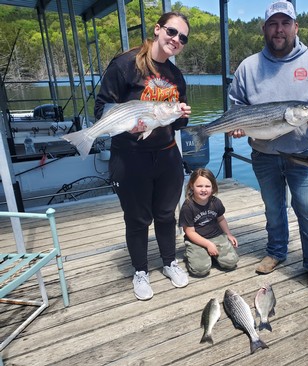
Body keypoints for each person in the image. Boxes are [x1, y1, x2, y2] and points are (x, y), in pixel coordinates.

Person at [228, 0, 308, 292]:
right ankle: (276, 252)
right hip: (263, 154)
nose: (279, 30)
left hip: (303, 155)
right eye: (273, 24)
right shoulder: (248, 66)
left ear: (295, 27)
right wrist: (238, 125)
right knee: (273, 207)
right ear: (264, 28)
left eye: (285, 23)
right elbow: (236, 105)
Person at [94, 12, 192, 300]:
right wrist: (127, 125)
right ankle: (140, 270)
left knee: (165, 215)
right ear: (158, 29)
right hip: (130, 158)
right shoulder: (124, 64)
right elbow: (102, 108)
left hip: (167, 157)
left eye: (182, 38)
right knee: (137, 219)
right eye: (172, 32)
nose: (176, 40)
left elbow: (179, 121)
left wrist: (183, 115)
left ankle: (169, 261)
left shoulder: (176, 76)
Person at [179, 168, 239, 276]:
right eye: (199, 186)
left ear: (213, 188)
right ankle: (194, 254)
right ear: (192, 186)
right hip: (196, 239)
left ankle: (212, 255)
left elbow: (221, 219)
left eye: (207, 186)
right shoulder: (188, 207)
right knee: (200, 270)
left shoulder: (215, 202)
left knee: (231, 262)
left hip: (216, 235)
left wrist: (228, 234)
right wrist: (208, 244)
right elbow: (189, 232)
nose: (203, 189)